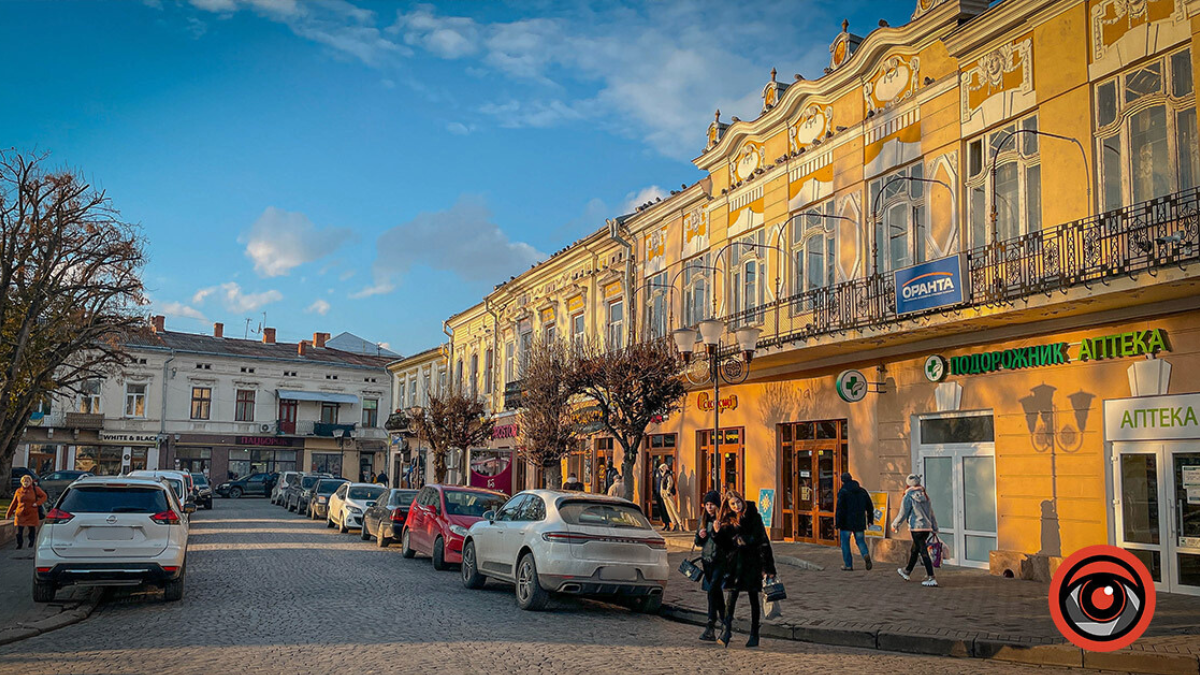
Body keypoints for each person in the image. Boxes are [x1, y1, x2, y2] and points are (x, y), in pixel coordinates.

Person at [713, 489, 776, 648]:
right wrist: (717, 532)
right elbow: (723, 546)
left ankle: (754, 634)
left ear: (742, 500)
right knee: (731, 597)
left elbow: (763, 542)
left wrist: (769, 568)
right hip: (734, 564)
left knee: (753, 598)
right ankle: (726, 631)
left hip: (752, 562)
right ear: (728, 505)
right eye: (732, 504)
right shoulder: (727, 519)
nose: (736, 506)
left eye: (738, 502)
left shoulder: (754, 516)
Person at [891, 473, 939, 587]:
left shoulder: (908, 496)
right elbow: (931, 513)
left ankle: (931, 577)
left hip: (916, 527)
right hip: (926, 527)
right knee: (915, 549)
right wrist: (934, 527)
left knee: (923, 551)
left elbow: (903, 513)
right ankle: (907, 571)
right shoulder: (925, 496)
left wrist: (895, 524)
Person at [694, 490, 725, 641]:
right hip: (706, 562)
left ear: (717, 505)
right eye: (707, 504)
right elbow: (697, 543)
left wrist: (717, 532)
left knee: (713, 590)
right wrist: (700, 537)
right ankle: (725, 623)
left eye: (712, 504)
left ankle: (710, 625)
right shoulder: (702, 520)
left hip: (721, 562)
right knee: (714, 593)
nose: (709, 507)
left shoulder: (723, 520)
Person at [835, 471, 874, 571]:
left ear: (842, 480)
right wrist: (870, 520)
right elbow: (869, 506)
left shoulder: (843, 492)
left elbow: (839, 509)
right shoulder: (862, 491)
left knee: (845, 543)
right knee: (860, 541)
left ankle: (848, 565)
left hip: (845, 523)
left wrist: (837, 523)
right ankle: (865, 554)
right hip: (859, 521)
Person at [6, 475, 48, 550]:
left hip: (32, 513)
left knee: (31, 529)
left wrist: (37, 503)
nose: (26, 483)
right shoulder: (18, 491)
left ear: (30, 482)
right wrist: (8, 514)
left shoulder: (35, 489)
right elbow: (14, 503)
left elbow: (44, 496)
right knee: (19, 531)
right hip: (20, 514)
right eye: (24, 481)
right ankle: (19, 544)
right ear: (21, 482)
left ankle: (31, 542)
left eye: (27, 481)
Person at [660, 464, 682, 533]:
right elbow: (661, 486)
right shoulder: (663, 477)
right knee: (668, 510)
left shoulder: (668, 476)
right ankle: (674, 523)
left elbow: (670, 483)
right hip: (664, 495)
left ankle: (680, 523)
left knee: (673, 508)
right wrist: (662, 493)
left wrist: (667, 491)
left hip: (668, 494)